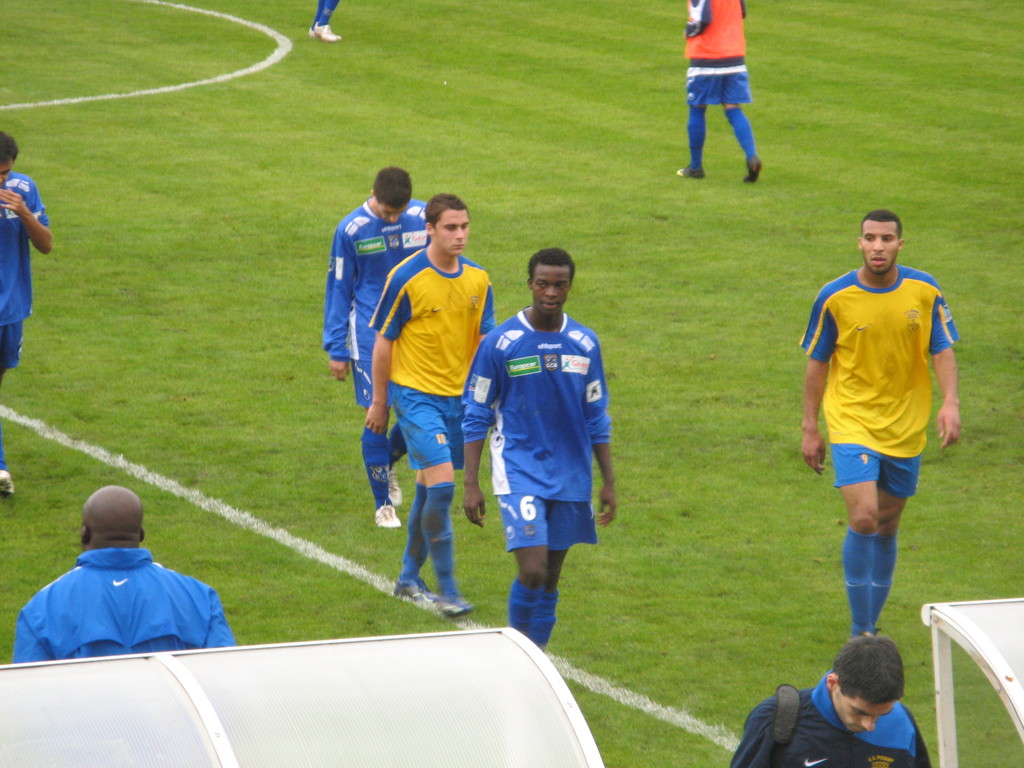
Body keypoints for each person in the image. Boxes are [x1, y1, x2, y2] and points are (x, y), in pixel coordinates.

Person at [800, 210, 960, 637]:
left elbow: (941, 349)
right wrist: (810, 428)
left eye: (886, 239)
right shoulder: (834, 297)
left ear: (899, 245)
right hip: (852, 419)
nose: (878, 246)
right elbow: (817, 362)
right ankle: (862, 630)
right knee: (866, 517)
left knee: (889, 524)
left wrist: (950, 403)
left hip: (907, 423)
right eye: (870, 238)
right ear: (859, 242)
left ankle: (870, 624)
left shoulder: (925, 290)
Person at [461, 248, 616, 650]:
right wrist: (471, 483)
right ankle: (516, 651)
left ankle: (538, 658)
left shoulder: (584, 343)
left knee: (551, 577)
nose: (551, 292)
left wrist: (608, 482)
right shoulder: (501, 343)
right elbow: (476, 411)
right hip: (519, 468)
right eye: (543, 283)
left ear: (570, 286)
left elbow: (596, 414)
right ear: (530, 284)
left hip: (571, 473)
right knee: (532, 569)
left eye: (559, 284)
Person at [367, 193, 495, 617]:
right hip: (415, 395)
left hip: (458, 400)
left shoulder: (479, 279)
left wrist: (489, 400)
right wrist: (380, 402)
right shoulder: (407, 277)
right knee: (442, 485)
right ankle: (449, 591)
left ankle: (407, 577)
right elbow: (384, 340)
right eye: (450, 228)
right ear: (430, 229)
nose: (460, 235)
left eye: (464, 227)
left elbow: (484, 343)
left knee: (427, 488)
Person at [13, 486, 235, 662]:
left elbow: (29, 692)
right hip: (173, 718)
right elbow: (225, 673)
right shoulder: (198, 595)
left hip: (88, 719)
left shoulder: (42, 608)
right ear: (141, 534)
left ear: (84, 534)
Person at [323, 167, 428, 529]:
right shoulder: (351, 230)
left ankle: (386, 463)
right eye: (387, 212)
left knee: (418, 413)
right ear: (373, 194)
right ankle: (383, 505)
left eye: (399, 212)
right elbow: (338, 288)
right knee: (378, 413)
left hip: (416, 334)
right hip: (370, 335)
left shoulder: (423, 218)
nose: (394, 218)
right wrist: (336, 348)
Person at [730, 635, 931, 767]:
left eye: (882, 714)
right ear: (833, 683)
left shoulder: (901, 722)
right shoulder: (777, 719)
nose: (870, 726)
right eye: (859, 712)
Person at [0, 132, 53, 498]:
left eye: (5, 173)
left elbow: (46, 244)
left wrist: (23, 212)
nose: (2, 181)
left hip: (11, 307)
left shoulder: (24, 189)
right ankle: (0, 469)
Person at [676, 0, 762, 182]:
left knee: (697, 108)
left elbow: (702, 18)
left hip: (706, 56)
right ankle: (751, 156)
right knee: (733, 108)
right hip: (734, 55)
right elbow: (742, 11)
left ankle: (696, 167)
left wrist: (688, 31)